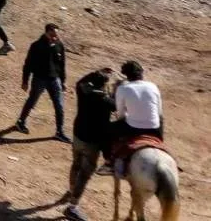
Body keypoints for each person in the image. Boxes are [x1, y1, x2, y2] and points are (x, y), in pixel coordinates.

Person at [64, 67, 117, 221]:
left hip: (78, 135)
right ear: (104, 86)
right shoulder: (105, 101)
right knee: (85, 173)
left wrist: (96, 73)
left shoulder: (84, 91)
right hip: (92, 142)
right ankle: (72, 207)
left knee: (76, 164)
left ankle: (72, 190)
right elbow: (117, 106)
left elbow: (81, 81)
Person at [16, 23, 68, 139]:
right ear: (47, 33)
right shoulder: (37, 46)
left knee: (59, 105)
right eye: (53, 34)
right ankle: (21, 121)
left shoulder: (59, 45)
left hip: (55, 80)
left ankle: (59, 131)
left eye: (56, 34)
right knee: (32, 101)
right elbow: (28, 64)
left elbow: (62, 65)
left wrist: (63, 81)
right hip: (40, 78)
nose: (56, 36)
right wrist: (25, 81)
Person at [113, 60, 163, 141]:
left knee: (108, 133)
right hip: (155, 128)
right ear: (141, 73)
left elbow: (121, 114)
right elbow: (159, 112)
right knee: (161, 119)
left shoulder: (122, 88)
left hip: (133, 128)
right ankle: (161, 140)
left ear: (126, 75)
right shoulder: (153, 86)